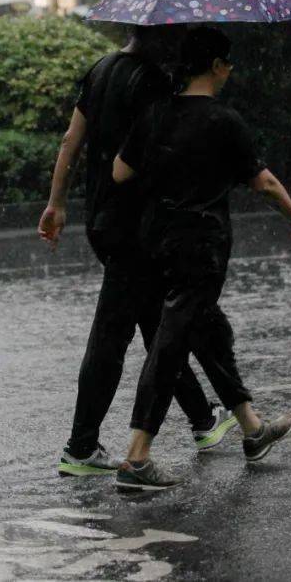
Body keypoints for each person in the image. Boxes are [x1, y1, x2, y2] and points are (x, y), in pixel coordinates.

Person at [111, 27, 291, 491]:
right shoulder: (224, 120)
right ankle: (137, 457)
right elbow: (263, 183)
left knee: (209, 331)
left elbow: (120, 172)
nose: (231, 70)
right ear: (218, 66)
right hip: (200, 246)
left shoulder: (155, 112)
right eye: (229, 63)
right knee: (171, 343)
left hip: (156, 241)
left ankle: (251, 429)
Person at [38, 25, 239, 478]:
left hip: (102, 220)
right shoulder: (150, 81)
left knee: (158, 323)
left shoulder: (101, 70)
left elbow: (71, 140)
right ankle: (81, 446)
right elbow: (159, 152)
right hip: (138, 227)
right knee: (114, 334)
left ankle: (204, 421)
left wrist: (56, 203)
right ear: (158, 36)